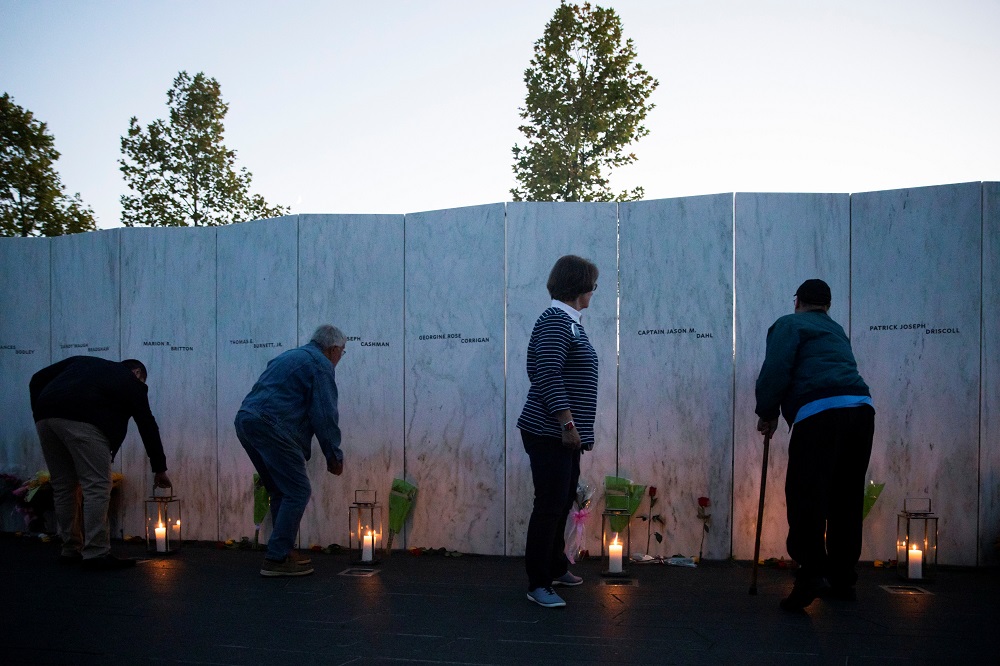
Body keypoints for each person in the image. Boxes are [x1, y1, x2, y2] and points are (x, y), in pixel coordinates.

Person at [755, 278, 876, 611]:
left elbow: (777, 368)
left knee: (808, 495)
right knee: (846, 497)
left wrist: (768, 410)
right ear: (828, 306)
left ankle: (810, 576)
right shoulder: (836, 330)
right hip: (862, 412)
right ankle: (842, 578)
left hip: (821, 413)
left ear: (797, 302)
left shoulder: (789, 324)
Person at [29, 356, 171, 570]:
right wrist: (159, 468)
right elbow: (147, 424)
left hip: (46, 418)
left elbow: (37, 379)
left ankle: (70, 550)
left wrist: (40, 411)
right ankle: (96, 552)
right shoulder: (131, 381)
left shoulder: (83, 362)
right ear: (138, 373)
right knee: (96, 485)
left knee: (63, 486)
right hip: (85, 421)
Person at [517, 255, 600, 608]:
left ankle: (554, 567)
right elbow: (547, 373)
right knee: (549, 505)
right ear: (579, 286)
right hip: (550, 431)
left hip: (562, 434)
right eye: (592, 285)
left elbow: (538, 368)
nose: (594, 291)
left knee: (561, 501)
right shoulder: (555, 321)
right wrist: (566, 423)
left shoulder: (569, 323)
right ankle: (538, 583)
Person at [235, 324, 347, 577]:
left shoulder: (289, 356)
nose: (341, 357)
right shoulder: (320, 365)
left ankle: (281, 553)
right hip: (272, 426)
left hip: (246, 421)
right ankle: (276, 557)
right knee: (298, 490)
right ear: (332, 349)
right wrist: (334, 456)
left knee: (279, 490)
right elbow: (325, 414)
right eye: (343, 352)